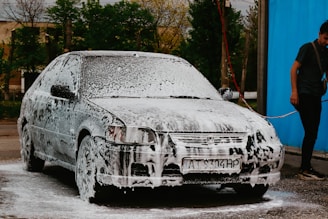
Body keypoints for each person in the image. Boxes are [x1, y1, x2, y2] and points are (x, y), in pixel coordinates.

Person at [290, 20, 328, 181]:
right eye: (326, 38)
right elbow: (294, 69)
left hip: (316, 96)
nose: (327, 42)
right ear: (319, 34)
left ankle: (306, 167)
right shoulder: (307, 48)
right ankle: (304, 168)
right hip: (304, 94)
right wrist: (294, 92)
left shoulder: (327, 53)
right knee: (310, 131)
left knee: (313, 133)